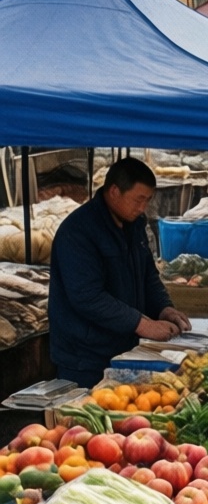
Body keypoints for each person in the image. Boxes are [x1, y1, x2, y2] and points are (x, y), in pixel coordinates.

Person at [48, 157, 192, 386]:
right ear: (114, 191)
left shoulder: (134, 225)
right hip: (85, 358)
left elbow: (148, 276)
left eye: (148, 200)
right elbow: (88, 297)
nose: (143, 207)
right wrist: (143, 324)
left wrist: (165, 308)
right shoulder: (77, 232)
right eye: (139, 199)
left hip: (125, 348)